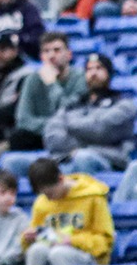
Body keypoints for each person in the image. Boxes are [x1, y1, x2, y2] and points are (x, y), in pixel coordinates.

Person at [40, 53, 134, 174]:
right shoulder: (72, 105)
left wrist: (69, 127)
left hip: (108, 163)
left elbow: (100, 131)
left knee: (83, 157)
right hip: (66, 160)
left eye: (99, 68)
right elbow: (52, 138)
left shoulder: (123, 106)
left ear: (109, 74)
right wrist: (84, 137)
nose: (93, 73)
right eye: (89, 69)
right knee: (15, 161)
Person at [5, 32, 86, 168]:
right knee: (18, 137)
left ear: (69, 55)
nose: (51, 56)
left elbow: (70, 114)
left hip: (69, 136)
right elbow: (23, 119)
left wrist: (52, 84)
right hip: (42, 135)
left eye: (57, 50)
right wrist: (53, 127)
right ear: (41, 57)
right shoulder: (32, 79)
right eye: (46, 51)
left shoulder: (80, 78)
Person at [24, 157, 115, 265]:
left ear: (61, 179)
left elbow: (105, 242)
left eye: (50, 193)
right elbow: (36, 233)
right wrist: (28, 238)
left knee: (58, 253)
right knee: (36, 250)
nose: (49, 199)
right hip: (53, 250)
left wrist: (72, 241)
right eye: (44, 195)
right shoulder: (42, 202)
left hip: (88, 257)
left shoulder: (93, 197)